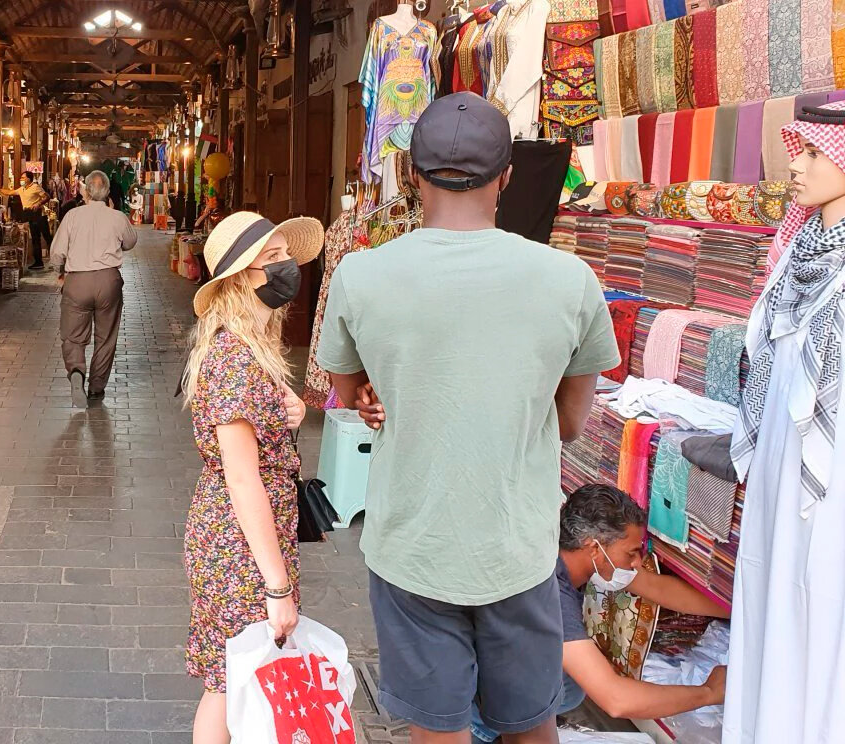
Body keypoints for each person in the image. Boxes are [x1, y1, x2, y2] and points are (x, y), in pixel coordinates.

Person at [316, 92, 621, 744]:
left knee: (437, 729)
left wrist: (384, 393)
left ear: (410, 175)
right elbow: (568, 424)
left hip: (412, 548)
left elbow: (350, 392)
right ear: (507, 176)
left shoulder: (360, 275)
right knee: (532, 725)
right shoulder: (569, 280)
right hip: (517, 548)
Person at [724, 103, 845, 743]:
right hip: (780, 454)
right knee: (771, 587)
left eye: (813, 153)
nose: (794, 165)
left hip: (830, 474)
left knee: (820, 599)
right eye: (796, 150)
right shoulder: (800, 246)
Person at [180, 211, 323, 743]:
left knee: (235, 677)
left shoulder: (252, 348)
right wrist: (277, 585)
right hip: (238, 547)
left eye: (286, 255)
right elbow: (244, 481)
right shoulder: (235, 360)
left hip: (245, 542)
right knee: (228, 681)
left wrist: (288, 410)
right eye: (272, 260)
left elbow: (255, 435)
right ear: (241, 277)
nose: (287, 268)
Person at [466, 484, 728, 742]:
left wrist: (736, 610)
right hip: (471, 721)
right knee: (580, 680)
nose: (637, 562)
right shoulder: (550, 592)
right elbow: (616, 700)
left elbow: (653, 585)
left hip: (484, 689)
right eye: (632, 552)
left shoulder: (565, 554)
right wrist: (708, 693)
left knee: (573, 683)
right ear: (594, 548)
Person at [48, 170, 138, 409]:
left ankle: (76, 371)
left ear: (85, 191)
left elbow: (57, 252)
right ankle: (96, 388)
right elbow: (130, 242)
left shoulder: (72, 216)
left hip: (77, 281)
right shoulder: (117, 217)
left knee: (73, 335)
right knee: (105, 337)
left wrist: (59, 271)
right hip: (108, 281)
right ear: (107, 192)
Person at [5, 170, 52, 270]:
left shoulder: (35, 187)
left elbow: (47, 196)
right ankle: (38, 262)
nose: (21, 179)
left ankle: (56, 259)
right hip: (30, 215)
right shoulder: (22, 189)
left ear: (28, 179)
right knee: (35, 238)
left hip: (40, 214)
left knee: (47, 237)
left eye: (23, 178)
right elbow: (9, 192)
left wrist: (38, 204)